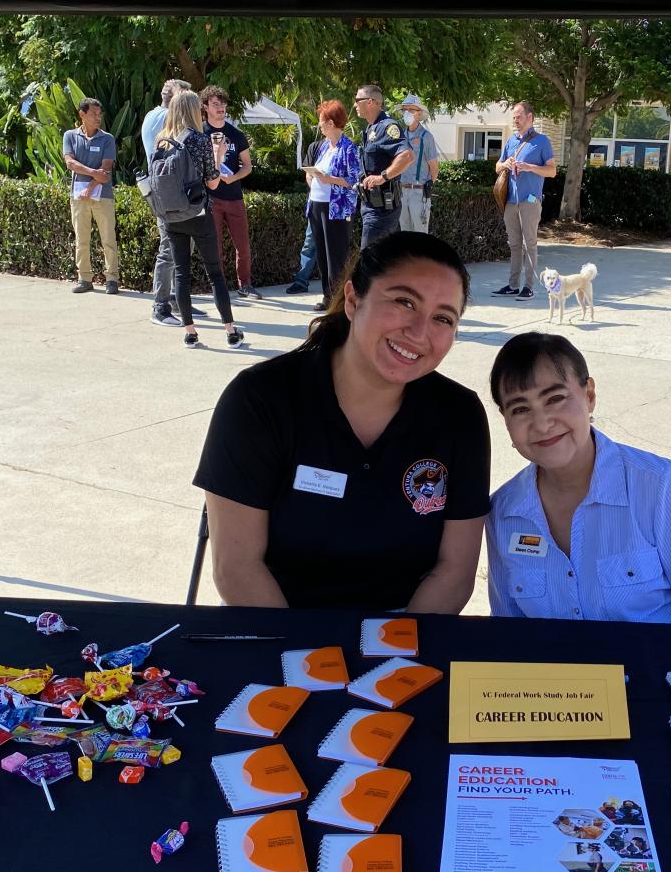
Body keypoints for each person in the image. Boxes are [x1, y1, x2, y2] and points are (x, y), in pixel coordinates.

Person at [194, 231, 489, 611]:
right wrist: (308, 666)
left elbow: (455, 571)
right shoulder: (259, 399)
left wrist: (397, 663)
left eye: (443, 318)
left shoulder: (459, 415)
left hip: (406, 633)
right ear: (353, 299)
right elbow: (236, 568)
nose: (419, 333)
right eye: (404, 302)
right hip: (274, 625)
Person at [485, 332, 671, 625]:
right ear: (506, 420)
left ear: (589, 395)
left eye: (555, 398)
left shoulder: (656, 485)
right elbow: (508, 629)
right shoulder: (503, 512)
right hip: (555, 671)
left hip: (658, 670)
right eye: (520, 409)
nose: (542, 424)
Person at [152, 89, 245, 350]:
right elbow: (213, 182)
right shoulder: (199, 140)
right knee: (215, 274)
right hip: (198, 213)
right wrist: (217, 153)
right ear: (194, 110)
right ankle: (230, 331)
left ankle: (190, 333)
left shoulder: (162, 139)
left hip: (171, 216)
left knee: (182, 273)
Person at [492, 101, 556, 301]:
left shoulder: (542, 141)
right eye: (513, 117)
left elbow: (552, 171)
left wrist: (530, 167)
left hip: (530, 201)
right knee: (514, 244)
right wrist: (505, 164)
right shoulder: (511, 141)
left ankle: (528, 287)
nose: (515, 120)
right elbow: (497, 167)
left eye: (518, 117)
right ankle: (513, 285)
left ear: (530, 117)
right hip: (511, 201)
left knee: (530, 244)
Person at [200, 85, 259, 299]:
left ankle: (246, 284)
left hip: (234, 196)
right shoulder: (200, 133)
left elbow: (248, 165)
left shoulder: (235, 134)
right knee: (215, 247)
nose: (221, 108)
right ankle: (219, 287)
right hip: (211, 197)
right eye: (216, 104)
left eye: (223, 103)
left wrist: (234, 177)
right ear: (205, 106)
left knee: (242, 246)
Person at [305, 100, 363, 313]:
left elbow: (354, 179)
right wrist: (313, 179)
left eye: (321, 122)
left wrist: (330, 179)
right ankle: (327, 296)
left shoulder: (348, 148)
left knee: (336, 256)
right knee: (321, 253)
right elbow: (314, 174)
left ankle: (339, 301)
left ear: (330, 122)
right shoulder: (322, 147)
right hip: (318, 205)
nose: (319, 126)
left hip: (336, 208)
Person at [142, 77, 191, 327]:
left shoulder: (152, 115)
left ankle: (172, 300)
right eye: (185, 99)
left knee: (176, 246)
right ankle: (160, 306)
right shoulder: (166, 121)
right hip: (169, 192)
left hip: (165, 190)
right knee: (169, 248)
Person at [63, 97, 120, 295]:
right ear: (82, 114)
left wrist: (92, 184)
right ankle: (84, 278)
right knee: (82, 239)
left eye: (99, 114)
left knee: (108, 239)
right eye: (94, 114)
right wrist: (93, 173)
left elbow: (106, 169)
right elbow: (70, 163)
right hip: (78, 197)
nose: (98, 118)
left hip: (103, 196)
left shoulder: (107, 138)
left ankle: (112, 279)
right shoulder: (70, 136)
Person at [352, 85, 414, 249]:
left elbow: (407, 156)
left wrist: (382, 177)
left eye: (358, 100)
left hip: (382, 210)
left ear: (370, 102)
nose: (355, 104)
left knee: (370, 262)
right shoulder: (370, 129)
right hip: (371, 206)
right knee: (383, 263)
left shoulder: (387, 127)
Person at [397, 94, 441, 234]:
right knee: (405, 235)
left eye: (411, 109)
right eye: (405, 110)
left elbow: (434, 167)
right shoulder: (400, 136)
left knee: (420, 236)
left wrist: (428, 186)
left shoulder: (426, 137)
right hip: (402, 192)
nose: (407, 113)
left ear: (419, 113)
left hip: (419, 192)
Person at [285, 137, 323, 297]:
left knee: (334, 248)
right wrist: (316, 187)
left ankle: (336, 284)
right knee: (310, 244)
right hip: (315, 203)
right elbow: (308, 173)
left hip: (335, 206)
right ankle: (301, 281)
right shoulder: (315, 147)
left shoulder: (344, 146)